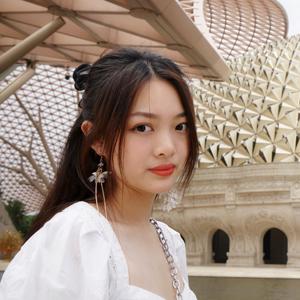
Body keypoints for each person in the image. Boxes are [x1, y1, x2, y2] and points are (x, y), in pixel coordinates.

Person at [0, 48, 199, 300]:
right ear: (98, 139)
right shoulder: (80, 234)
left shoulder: (170, 241)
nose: (167, 147)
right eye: (142, 127)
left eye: (180, 126)